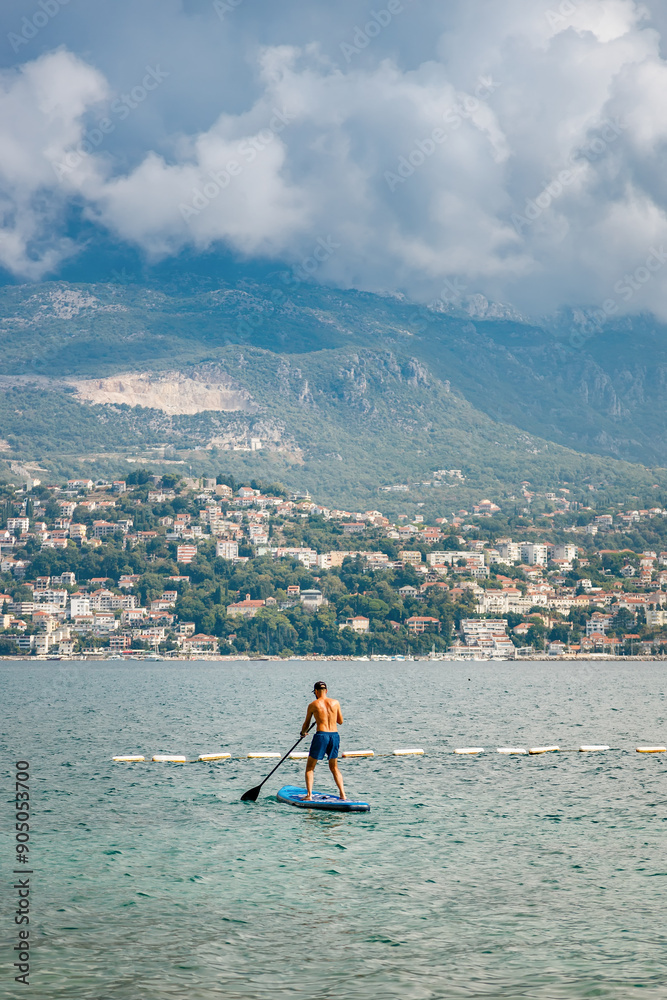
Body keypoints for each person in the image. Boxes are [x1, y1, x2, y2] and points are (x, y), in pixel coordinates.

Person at [300, 681, 346, 800]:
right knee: (334, 767)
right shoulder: (336, 703)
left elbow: (306, 724)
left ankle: (309, 795)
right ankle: (343, 794)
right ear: (326, 691)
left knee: (310, 767)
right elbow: (340, 721)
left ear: (315, 692)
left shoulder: (313, 705)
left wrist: (303, 733)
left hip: (321, 736)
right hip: (334, 736)